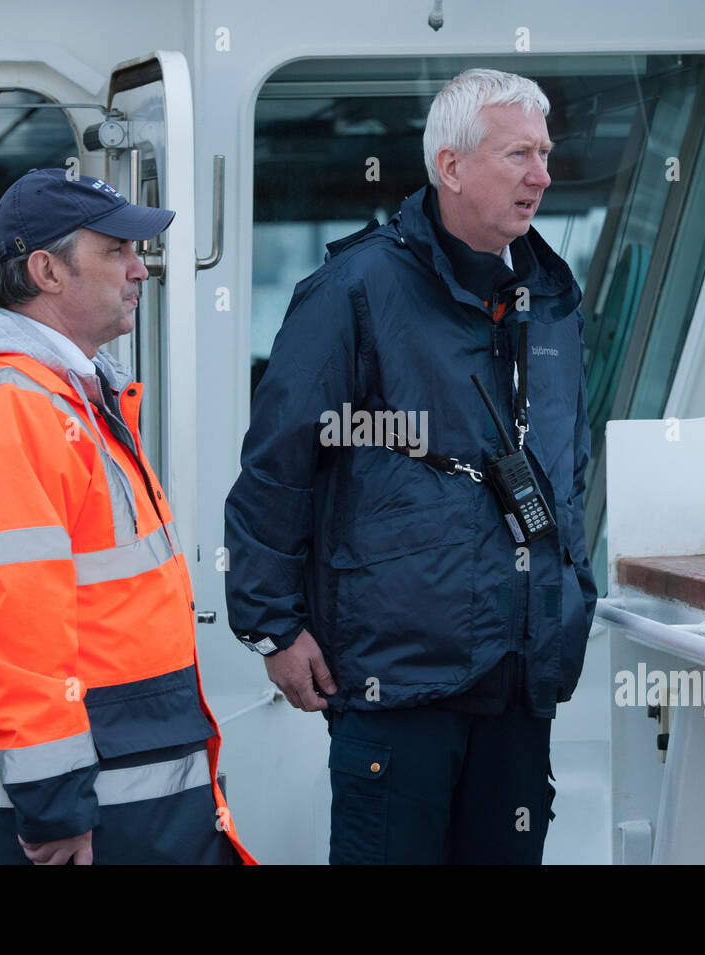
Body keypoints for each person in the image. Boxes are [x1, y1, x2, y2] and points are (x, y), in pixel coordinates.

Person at [224, 69, 597, 864]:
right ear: (451, 167)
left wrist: (574, 598)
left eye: (545, 153)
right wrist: (274, 625)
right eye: (519, 154)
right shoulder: (353, 291)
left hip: (520, 678)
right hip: (398, 679)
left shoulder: (552, 299)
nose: (542, 175)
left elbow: (569, 471)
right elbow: (276, 464)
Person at [0, 168, 253, 865]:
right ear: (45, 270)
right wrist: (54, 806)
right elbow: (16, 630)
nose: (140, 270)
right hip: (44, 821)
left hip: (116, 800)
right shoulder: (6, 410)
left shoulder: (61, 396)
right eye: (117, 251)